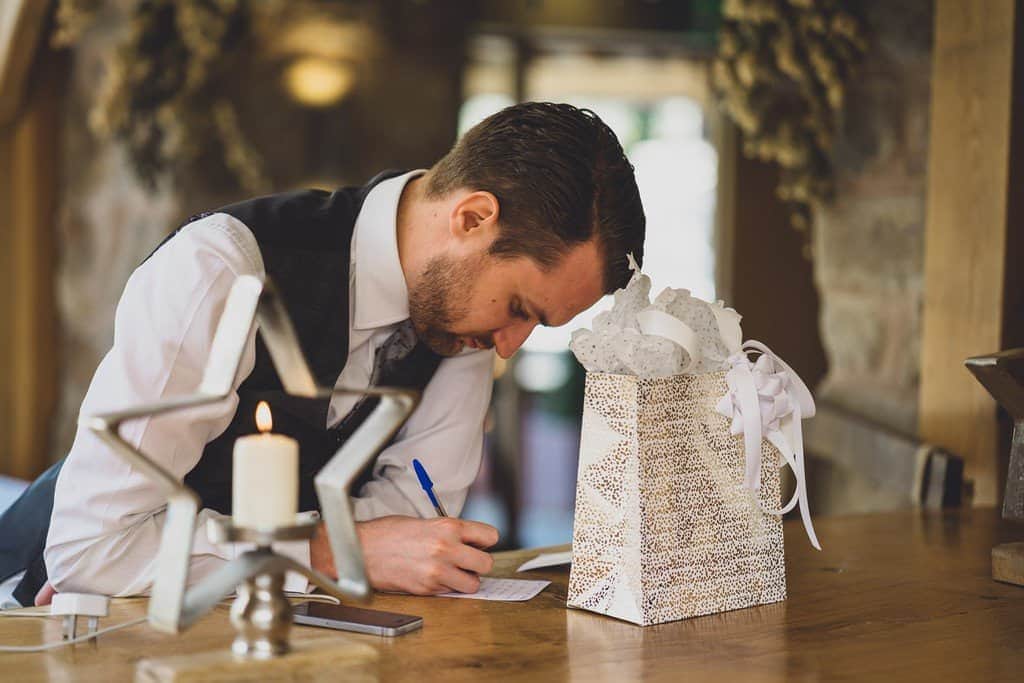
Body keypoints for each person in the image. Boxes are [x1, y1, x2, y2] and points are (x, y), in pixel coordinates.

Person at [0, 102, 646, 607]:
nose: (511, 345)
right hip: (43, 620)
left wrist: (221, 555)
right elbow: (95, 552)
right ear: (473, 218)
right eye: (520, 308)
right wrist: (333, 547)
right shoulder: (221, 272)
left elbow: (409, 528)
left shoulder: (460, 330)